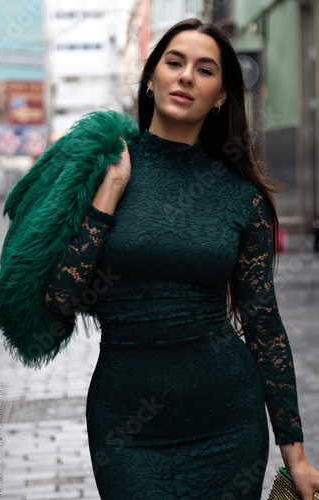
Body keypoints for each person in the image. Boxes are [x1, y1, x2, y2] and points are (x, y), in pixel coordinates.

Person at [43, 18, 319, 499]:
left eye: (205, 69)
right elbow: (58, 298)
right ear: (151, 79)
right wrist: (108, 194)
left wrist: (294, 453)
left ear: (219, 97)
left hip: (229, 423)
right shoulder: (95, 171)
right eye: (174, 62)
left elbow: (263, 324)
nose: (187, 75)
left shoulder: (241, 197)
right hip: (128, 431)